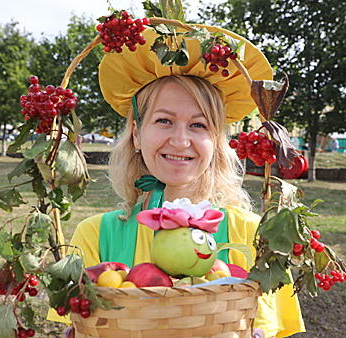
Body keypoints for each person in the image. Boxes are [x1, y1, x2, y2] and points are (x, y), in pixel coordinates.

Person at [53, 19, 305, 338]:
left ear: (216, 140)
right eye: (164, 120)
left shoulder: (252, 235)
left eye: (198, 125)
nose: (181, 140)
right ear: (136, 134)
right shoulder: (95, 236)